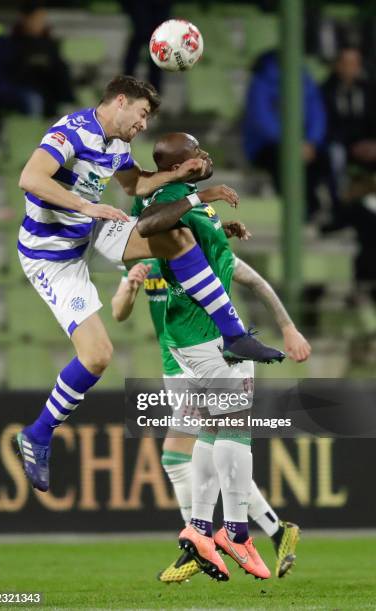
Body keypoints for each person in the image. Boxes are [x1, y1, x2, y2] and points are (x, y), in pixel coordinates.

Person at [14, 76, 284, 495]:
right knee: (98, 356)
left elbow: (136, 185)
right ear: (120, 101)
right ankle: (38, 433)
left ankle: (232, 335)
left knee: (178, 238)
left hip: (90, 229)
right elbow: (30, 178)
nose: (142, 125)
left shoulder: (117, 145)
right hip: (52, 253)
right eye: (141, 114)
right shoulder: (71, 131)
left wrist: (179, 173)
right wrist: (86, 204)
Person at [117, 132, 309, 582]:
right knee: (232, 430)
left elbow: (182, 240)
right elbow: (151, 229)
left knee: (200, 439)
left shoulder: (182, 202)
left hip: (189, 341)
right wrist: (202, 199)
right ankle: (241, 531)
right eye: (196, 153)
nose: (205, 157)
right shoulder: (168, 201)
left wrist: (217, 227)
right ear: (180, 165)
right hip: (203, 335)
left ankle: (202, 534)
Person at [242, 50, 326, 220]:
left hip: (302, 144)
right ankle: (294, 210)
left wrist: (312, 141)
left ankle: (320, 208)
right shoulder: (261, 82)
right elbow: (262, 120)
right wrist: (290, 144)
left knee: (324, 158)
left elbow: (316, 113)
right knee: (282, 159)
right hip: (267, 145)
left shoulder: (304, 79)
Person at [321, 47, 376, 220]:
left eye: (354, 64)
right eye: (346, 63)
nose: (350, 68)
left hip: (368, 143)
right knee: (335, 155)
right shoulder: (326, 91)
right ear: (337, 65)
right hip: (339, 143)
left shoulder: (369, 90)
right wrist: (351, 145)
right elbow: (326, 125)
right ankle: (340, 208)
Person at [1, 1, 74, 117]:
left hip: (48, 90)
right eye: (37, 19)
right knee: (34, 100)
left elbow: (59, 69)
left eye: (42, 19)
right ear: (25, 18)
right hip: (22, 89)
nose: (41, 23)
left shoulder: (49, 42)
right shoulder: (13, 42)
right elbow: (11, 73)